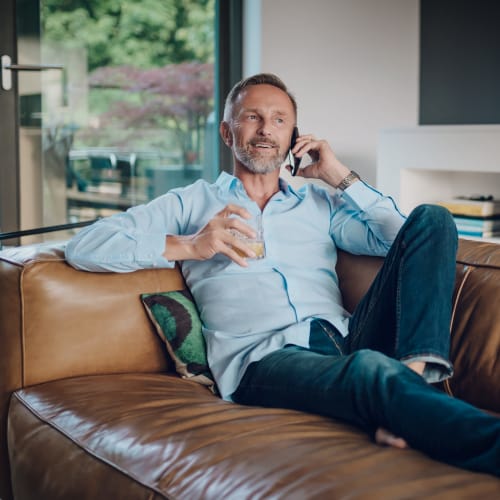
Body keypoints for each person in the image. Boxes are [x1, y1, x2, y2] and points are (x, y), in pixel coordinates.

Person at [66, 73, 499, 476]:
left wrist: (337, 175)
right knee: (369, 370)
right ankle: (417, 408)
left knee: (434, 218)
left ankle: (410, 383)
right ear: (227, 131)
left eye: (279, 120)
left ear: (294, 136)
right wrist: (190, 245)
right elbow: (84, 245)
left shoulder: (319, 204)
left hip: (345, 338)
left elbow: (401, 238)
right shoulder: (191, 203)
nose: (264, 129)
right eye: (251, 117)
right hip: (263, 360)